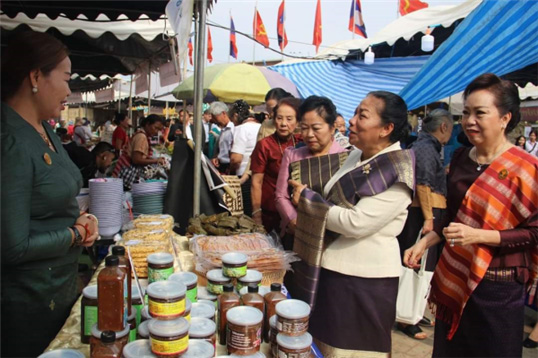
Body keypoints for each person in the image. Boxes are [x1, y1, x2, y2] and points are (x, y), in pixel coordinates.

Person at [404, 73, 538, 358]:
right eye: (465, 113)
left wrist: (479, 236)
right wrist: (424, 242)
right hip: (455, 274)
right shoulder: (462, 157)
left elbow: (535, 232)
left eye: (480, 113)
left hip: (499, 286)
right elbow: (453, 217)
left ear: (505, 118)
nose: (469, 121)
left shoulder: (526, 168)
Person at [287, 91, 415, 357]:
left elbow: (356, 223)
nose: (352, 121)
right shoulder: (357, 156)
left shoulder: (398, 169)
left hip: (365, 282)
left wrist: (308, 201)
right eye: (355, 113)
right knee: (327, 348)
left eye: (362, 115)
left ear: (386, 129)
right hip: (335, 273)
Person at [1, 31, 99, 358]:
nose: (70, 90)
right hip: (29, 303)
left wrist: (80, 218)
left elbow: (49, 199)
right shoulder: (10, 141)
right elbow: (12, 247)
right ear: (35, 76)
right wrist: (74, 234)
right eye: (66, 78)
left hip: (60, 286)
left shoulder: (44, 129)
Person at [396, 108, 454, 340]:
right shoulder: (426, 148)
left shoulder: (423, 146)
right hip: (423, 214)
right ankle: (406, 318)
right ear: (443, 128)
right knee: (415, 266)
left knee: (422, 268)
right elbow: (423, 185)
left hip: (426, 213)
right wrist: (429, 218)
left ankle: (414, 313)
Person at [275, 96, 348, 247]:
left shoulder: (346, 158)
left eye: (316, 128)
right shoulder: (292, 154)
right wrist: (293, 220)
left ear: (332, 127)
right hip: (297, 234)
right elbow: (281, 195)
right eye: (304, 128)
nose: (309, 134)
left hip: (335, 236)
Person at [250, 97, 302, 233]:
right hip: (271, 212)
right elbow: (256, 182)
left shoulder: (301, 142)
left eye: (289, 119)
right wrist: (257, 216)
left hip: (297, 212)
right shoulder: (265, 145)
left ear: (297, 122)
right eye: (279, 118)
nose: (283, 124)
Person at [112, 114, 167, 189]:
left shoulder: (142, 135)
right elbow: (136, 159)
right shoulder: (141, 137)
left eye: (158, 130)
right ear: (147, 124)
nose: (156, 132)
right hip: (126, 172)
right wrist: (156, 160)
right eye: (155, 128)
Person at [209, 101, 235, 174]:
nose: (214, 120)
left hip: (229, 167)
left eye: (215, 117)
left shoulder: (233, 128)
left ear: (223, 113)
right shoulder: (223, 129)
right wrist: (217, 158)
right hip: (221, 166)